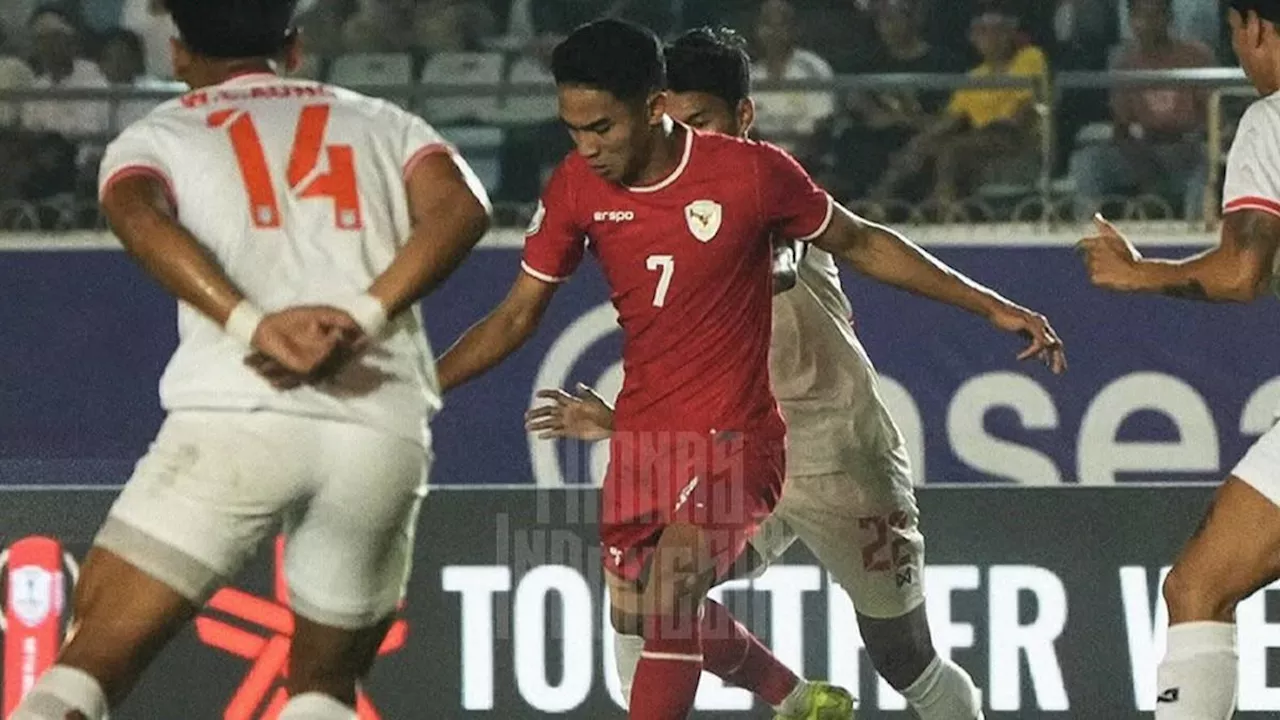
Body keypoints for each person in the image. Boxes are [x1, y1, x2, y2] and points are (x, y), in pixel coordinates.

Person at [438, 18, 1065, 720]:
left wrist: (989, 306)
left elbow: (837, 247)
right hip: (721, 449)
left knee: (902, 656)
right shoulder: (609, 184)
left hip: (834, 454)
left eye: (702, 119)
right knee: (646, 604)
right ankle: (796, 700)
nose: (684, 134)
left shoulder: (763, 188)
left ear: (744, 116)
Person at [9, 0, 492, 717]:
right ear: (294, 49)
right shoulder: (382, 121)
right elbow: (463, 207)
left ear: (175, 56)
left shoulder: (162, 132)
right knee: (324, 688)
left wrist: (257, 326)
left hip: (237, 416)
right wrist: (360, 319)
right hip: (378, 424)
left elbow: (137, 214)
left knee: (91, 662)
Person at [1076, 2, 1280, 717]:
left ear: (1254, 26)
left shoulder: (1271, 119)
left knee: (1199, 589)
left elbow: (1242, 271)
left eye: (1234, 36)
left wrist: (1138, 272)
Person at [1068, 0, 1214, 221]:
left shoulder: (1196, 55)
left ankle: (1196, 234)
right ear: (1130, 21)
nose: (1147, 24)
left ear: (1169, 18)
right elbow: (1122, 128)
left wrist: (1188, 140)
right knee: (1089, 162)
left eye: (1155, 16)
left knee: (1206, 164)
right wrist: (1140, 159)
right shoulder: (1125, 62)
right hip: (1145, 149)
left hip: (1188, 150)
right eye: (1140, 17)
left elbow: (1212, 117)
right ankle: (1088, 236)